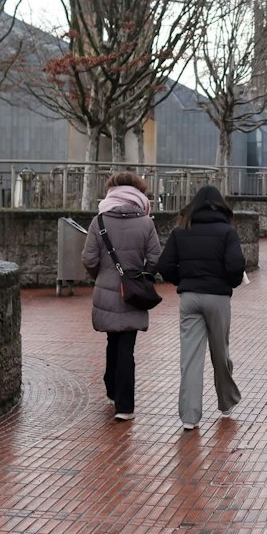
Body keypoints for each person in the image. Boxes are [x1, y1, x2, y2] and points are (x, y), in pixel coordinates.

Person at [155, 184, 246, 430]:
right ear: (220, 207)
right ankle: (226, 403)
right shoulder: (227, 231)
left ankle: (189, 417)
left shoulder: (180, 231)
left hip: (190, 297)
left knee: (190, 358)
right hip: (217, 298)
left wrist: (182, 281)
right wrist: (229, 283)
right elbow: (236, 265)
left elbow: (164, 265)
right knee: (220, 352)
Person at [82, 171, 161, 420]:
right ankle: (125, 407)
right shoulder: (146, 222)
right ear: (139, 193)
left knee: (112, 340)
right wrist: (143, 277)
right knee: (127, 345)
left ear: (112, 191)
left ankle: (112, 390)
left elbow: (89, 258)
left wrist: (101, 276)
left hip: (105, 289)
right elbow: (155, 258)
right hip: (133, 291)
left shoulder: (99, 221)